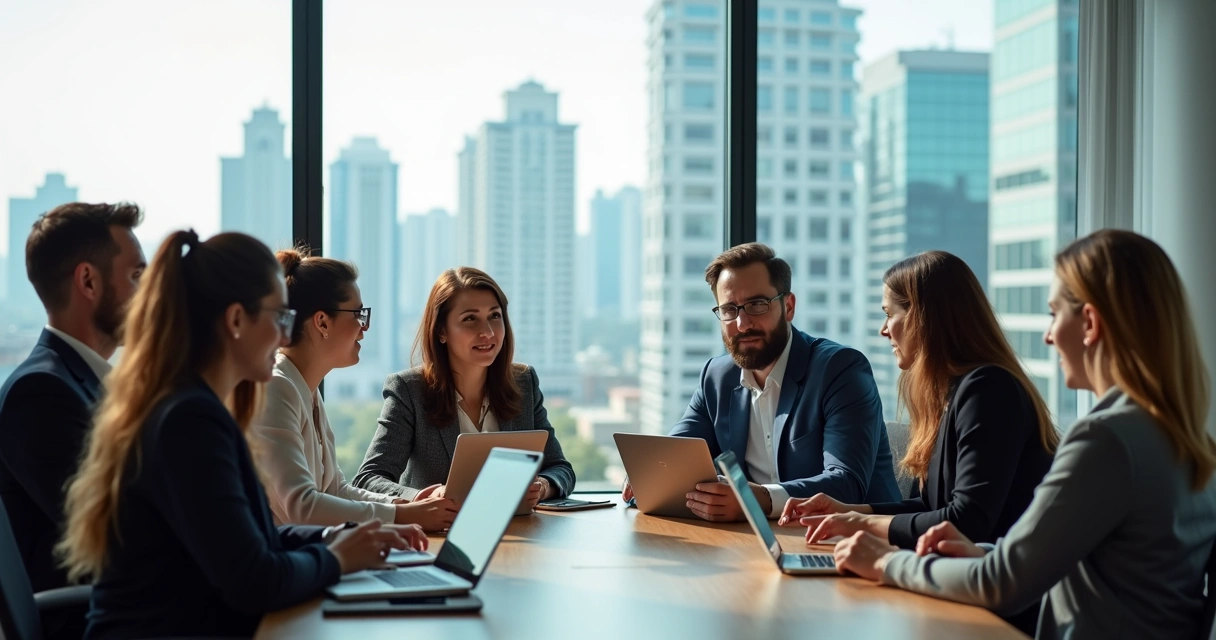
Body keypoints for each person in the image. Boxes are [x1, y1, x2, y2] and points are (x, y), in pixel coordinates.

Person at [833, 230, 1216, 640]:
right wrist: (979, 555)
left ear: (1089, 323)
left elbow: (1002, 585)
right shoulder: (1185, 438)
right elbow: (1098, 566)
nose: (1048, 336)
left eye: (1054, 314)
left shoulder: (1107, 440)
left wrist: (885, 563)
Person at [57, 230, 427, 640]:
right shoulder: (190, 420)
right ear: (236, 321)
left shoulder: (191, 405)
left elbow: (253, 538)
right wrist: (337, 559)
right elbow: (254, 579)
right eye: (279, 319)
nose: (286, 337)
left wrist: (332, 537)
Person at [780, 251, 1058, 634]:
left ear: (923, 318)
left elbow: (967, 521)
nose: (884, 329)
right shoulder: (950, 395)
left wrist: (861, 522)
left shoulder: (989, 391)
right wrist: (848, 509)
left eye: (888, 313)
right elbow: (929, 507)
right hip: (954, 591)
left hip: (999, 613)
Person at [623, 243, 900, 522]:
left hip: (854, 541)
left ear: (788, 306)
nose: (742, 323)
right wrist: (650, 475)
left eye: (757, 305)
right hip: (759, 541)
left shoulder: (840, 369)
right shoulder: (716, 377)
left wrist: (757, 499)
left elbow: (847, 485)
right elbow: (678, 452)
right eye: (729, 309)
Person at [253, 248, 457, 532]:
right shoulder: (277, 389)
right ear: (322, 322)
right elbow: (303, 506)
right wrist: (405, 517)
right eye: (358, 314)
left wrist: (401, 506)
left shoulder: (305, 390)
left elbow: (336, 489)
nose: (364, 328)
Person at [0, 202, 145, 592]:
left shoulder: (87, 384)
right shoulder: (39, 394)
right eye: (136, 276)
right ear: (89, 282)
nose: (147, 295)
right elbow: (122, 538)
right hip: (95, 620)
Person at [353, 267, 575, 508]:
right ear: (441, 331)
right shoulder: (409, 390)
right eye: (470, 319)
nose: (487, 332)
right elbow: (368, 480)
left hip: (520, 532)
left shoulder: (524, 382)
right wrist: (423, 497)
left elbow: (560, 469)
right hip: (437, 536)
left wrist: (542, 486)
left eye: (495, 316)